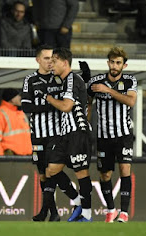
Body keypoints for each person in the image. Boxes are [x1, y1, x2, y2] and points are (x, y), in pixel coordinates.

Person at [21, 45, 81, 221]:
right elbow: (26, 106)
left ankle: (55, 209)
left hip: (57, 134)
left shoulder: (60, 79)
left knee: (51, 171)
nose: (50, 62)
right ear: (38, 60)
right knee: (42, 174)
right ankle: (52, 212)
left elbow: (69, 98)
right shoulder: (30, 80)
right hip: (38, 134)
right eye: (46, 58)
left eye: (52, 59)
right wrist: (50, 105)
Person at [40, 47, 93, 222]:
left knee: (81, 172)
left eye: (54, 61)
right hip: (65, 135)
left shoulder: (71, 79)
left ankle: (87, 214)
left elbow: (66, 106)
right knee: (52, 170)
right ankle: (78, 201)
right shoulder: (66, 80)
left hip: (77, 132)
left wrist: (48, 98)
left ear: (64, 62)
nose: (51, 65)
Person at [87, 47, 137, 223]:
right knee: (105, 175)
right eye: (112, 62)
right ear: (108, 63)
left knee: (125, 170)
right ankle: (110, 210)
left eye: (118, 63)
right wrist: (85, 122)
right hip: (103, 136)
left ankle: (124, 213)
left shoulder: (130, 81)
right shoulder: (96, 81)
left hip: (123, 135)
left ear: (124, 65)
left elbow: (131, 101)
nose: (115, 66)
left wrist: (109, 91)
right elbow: (88, 102)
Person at [0, 88, 32, 156]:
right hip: (11, 157)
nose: (20, 98)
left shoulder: (20, 113)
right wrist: (2, 159)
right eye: (18, 96)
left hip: (25, 156)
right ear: (11, 99)